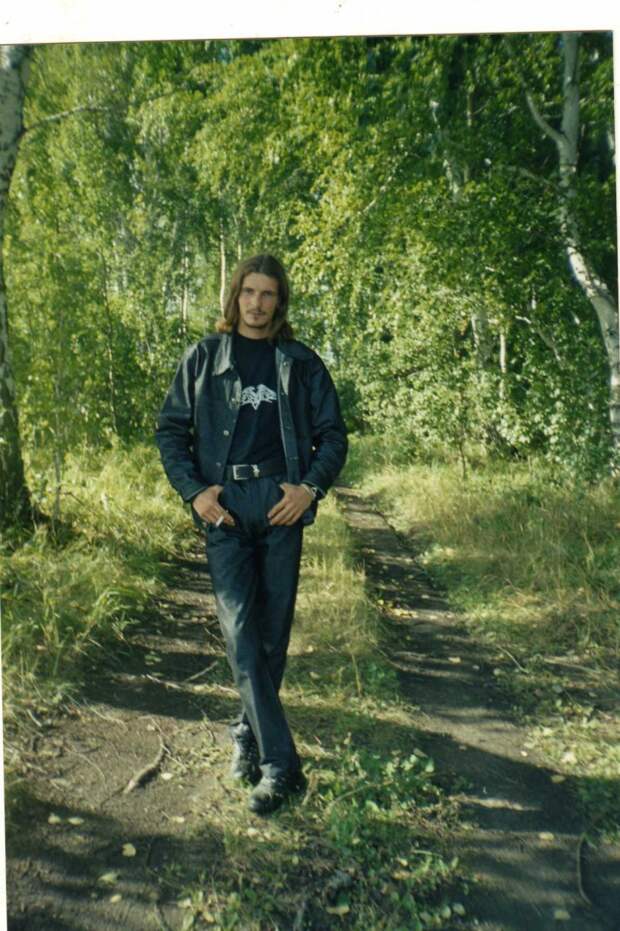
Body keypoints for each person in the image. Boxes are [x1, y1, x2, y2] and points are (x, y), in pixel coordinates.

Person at [155, 254, 347, 814]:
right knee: (239, 630)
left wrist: (309, 489)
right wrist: (195, 492)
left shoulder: (301, 363)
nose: (256, 303)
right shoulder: (204, 357)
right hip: (226, 508)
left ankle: (247, 736)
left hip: (281, 504)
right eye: (248, 292)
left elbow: (334, 436)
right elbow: (171, 431)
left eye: (267, 294)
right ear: (234, 296)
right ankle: (282, 765)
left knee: (271, 637)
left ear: (279, 302)